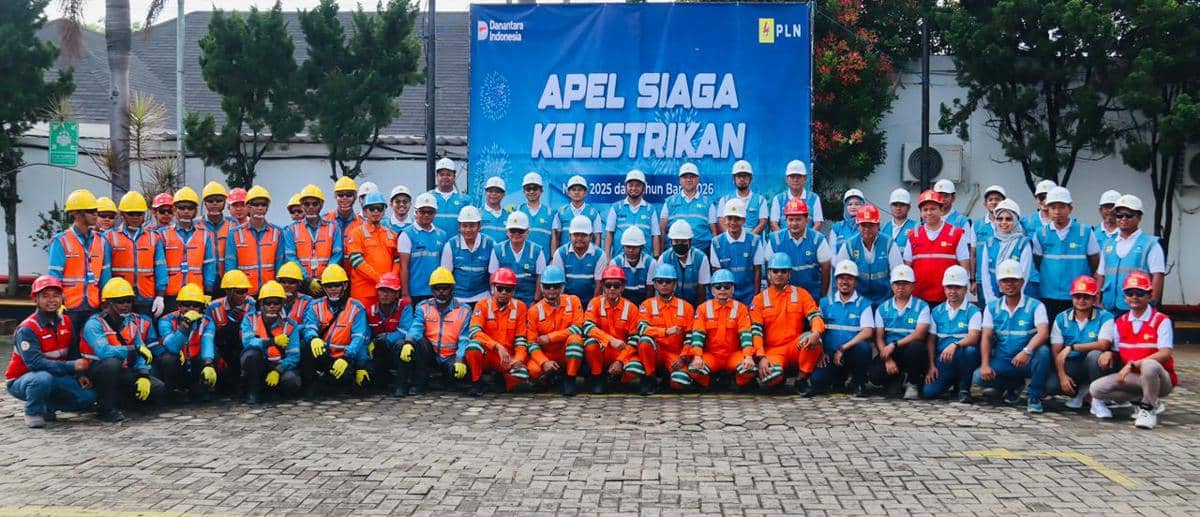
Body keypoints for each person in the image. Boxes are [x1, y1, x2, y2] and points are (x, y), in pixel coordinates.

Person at [1089, 271, 1177, 429]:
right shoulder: (1120, 322)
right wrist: (1108, 352)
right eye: (1130, 293)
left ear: (1150, 295)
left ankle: (1147, 410)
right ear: (1124, 297)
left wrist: (1132, 364)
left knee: (1149, 365)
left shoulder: (1161, 320)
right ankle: (1145, 399)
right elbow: (1116, 351)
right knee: (1096, 389)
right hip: (1135, 379)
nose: (1134, 297)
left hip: (1160, 378)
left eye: (1140, 293)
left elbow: (1165, 353)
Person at [5, 276, 96, 428]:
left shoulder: (66, 321)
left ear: (62, 298)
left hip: (54, 375)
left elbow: (73, 350)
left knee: (88, 397)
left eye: (55, 295)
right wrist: (72, 366)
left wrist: (80, 375)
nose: (51, 300)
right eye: (45, 296)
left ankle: (48, 406)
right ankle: (33, 411)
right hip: (23, 379)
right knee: (42, 379)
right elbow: (35, 363)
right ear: (35, 299)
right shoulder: (27, 329)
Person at [80, 278, 166, 422]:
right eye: (121, 301)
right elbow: (104, 352)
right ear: (107, 304)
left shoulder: (131, 322)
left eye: (129, 301)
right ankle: (105, 409)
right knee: (111, 363)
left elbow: (142, 352)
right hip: (96, 371)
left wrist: (143, 374)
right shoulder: (94, 324)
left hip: (120, 370)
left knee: (158, 387)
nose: (126, 305)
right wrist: (132, 349)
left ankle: (122, 401)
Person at [974, 259, 1052, 413]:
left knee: (1043, 352)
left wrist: (1026, 351)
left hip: (1027, 360)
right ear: (999, 284)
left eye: (1014, 280)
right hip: (1003, 359)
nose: (1009, 284)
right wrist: (985, 364)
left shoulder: (1036, 306)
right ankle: (1013, 386)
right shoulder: (992, 307)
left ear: (1022, 282)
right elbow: (986, 337)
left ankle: (1034, 396)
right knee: (978, 377)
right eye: (1005, 281)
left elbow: (1043, 333)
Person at [750, 254, 826, 395]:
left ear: (789, 274)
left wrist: (816, 332)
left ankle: (801, 380)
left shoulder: (802, 294)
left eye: (784, 271)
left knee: (814, 339)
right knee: (771, 378)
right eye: (775, 271)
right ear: (769, 274)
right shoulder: (759, 300)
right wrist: (760, 358)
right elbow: (756, 332)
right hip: (773, 350)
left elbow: (815, 317)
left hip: (795, 346)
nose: (779, 274)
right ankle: (780, 377)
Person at [48, 189, 112, 348]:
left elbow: (106, 276)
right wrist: (57, 303)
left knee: (92, 349)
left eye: (96, 211)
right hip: (69, 307)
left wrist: (106, 302)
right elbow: (54, 277)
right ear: (77, 214)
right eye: (91, 211)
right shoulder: (61, 241)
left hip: (94, 306)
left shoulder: (102, 241)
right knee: (70, 349)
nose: (95, 215)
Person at [577, 265, 655, 395]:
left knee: (634, 369)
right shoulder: (594, 303)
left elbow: (635, 339)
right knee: (590, 344)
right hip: (602, 351)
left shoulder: (631, 308)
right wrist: (610, 340)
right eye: (608, 285)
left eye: (616, 285)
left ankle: (618, 380)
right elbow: (588, 327)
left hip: (623, 352)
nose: (612, 289)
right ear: (602, 285)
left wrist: (620, 360)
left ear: (623, 287)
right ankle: (597, 378)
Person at [1047, 276, 1115, 412]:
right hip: (1071, 364)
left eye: (1086, 297)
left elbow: (1103, 345)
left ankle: (1097, 398)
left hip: (1093, 364)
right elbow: (1056, 351)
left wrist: (1072, 347)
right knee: (1051, 386)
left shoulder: (1105, 317)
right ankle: (1081, 390)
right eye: (1077, 296)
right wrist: (1062, 376)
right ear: (1072, 297)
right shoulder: (1061, 318)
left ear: (1094, 298)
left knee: (1095, 356)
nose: (1081, 301)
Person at [301, 264, 371, 393]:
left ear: (344, 286)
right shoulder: (315, 306)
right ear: (323, 288)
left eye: (336, 285)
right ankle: (311, 384)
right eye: (329, 286)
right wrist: (313, 338)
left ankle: (326, 381)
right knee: (305, 346)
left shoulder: (356, 308)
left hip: (344, 357)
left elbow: (359, 338)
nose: (333, 289)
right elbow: (309, 326)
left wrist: (348, 359)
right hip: (323, 354)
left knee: (343, 380)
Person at [402, 267, 472, 396]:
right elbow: (416, 327)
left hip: (451, 356)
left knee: (455, 375)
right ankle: (419, 384)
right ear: (431, 289)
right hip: (431, 355)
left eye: (445, 288)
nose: (441, 292)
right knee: (418, 342)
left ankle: (448, 380)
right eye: (437, 288)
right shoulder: (423, 307)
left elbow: (464, 338)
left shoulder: (464, 310)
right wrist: (408, 342)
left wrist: (460, 359)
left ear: (452, 288)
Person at [1031, 187, 1100, 317]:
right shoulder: (1041, 233)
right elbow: (1038, 261)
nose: (1057, 212)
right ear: (1047, 209)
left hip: (1078, 294)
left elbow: (1094, 261)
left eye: (1062, 207)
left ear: (1070, 209)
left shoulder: (1085, 232)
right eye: (1053, 207)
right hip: (1048, 294)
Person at [462, 268, 532, 396]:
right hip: (487, 353)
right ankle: (476, 382)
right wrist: (496, 346)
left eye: (508, 289)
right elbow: (474, 332)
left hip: (506, 358)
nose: (503, 292)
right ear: (493, 288)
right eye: (500, 288)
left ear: (513, 291)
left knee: (522, 374)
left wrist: (519, 359)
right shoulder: (482, 305)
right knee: (473, 347)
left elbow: (521, 339)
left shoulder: (521, 307)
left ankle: (500, 380)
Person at [811, 261, 875, 397]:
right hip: (829, 354)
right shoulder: (825, 303)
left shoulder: (864, 304)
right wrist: (820, 351)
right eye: (841, 278)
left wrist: (843, 348)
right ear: (836, 281)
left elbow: (867, 331)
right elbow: (817, 329)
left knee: (864, 348)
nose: (845, 282)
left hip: (851, 353)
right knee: (817, 380)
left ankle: (858, 382)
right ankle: (838, 379)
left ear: (855, 281)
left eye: (849, 278)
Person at [685, 269, 756, 390]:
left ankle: (738, 382)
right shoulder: (703, 309)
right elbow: (697, 335)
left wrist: (748, 356)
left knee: (749, 370)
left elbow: (746, 335)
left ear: (732, 289)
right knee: (693, 370)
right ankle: (710, 383)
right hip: (712, 356)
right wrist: (697, 357)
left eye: (727, 286)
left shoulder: (741, 308)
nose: (722, 290)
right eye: (718, 287)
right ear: (712, 290)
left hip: (733, 355)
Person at [869, 265, 931, 399]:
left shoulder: (922, 306)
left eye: (905, 284)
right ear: (892, 285)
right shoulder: (882, 308)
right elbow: (879, 338)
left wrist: (894, 344)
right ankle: (896, 379)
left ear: (913, 286)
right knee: (875, 375)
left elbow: (920, 334)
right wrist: (887, 360)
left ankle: (913, 383)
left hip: (910, 350)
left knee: (917, 347)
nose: (901, 287)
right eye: (897, 283)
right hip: (891, 352)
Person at [921, 266, 982, 402]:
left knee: (971, 351)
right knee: (929, 392)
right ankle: (952, 380)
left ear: (966, 289)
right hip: (943, 360)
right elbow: (931, 340)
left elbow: (974, 337)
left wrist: (955, 345)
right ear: (944, 288)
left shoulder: (973, 311)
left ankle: (963, 388)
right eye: (949, 287)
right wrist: (931, 366)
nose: (953, 291)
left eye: (957, 287)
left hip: (962, 355)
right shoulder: (937, 311)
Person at [1096, 194, 1166, 313]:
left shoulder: (1150, 244)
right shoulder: (1108, 244)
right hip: (1109, 307)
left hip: (1137, 308)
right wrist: (1097, 301)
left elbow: (1157, 276)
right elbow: (1101, 275)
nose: (1123, 219)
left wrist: (1152, 304)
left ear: (1139, 217)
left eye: (1128, 215)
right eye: (1119, 215)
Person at [524, 265, 587, 395]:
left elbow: (578, 328)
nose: (552, 290)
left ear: (562, 287)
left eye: (556, 286)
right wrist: (544, 362)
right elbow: (531, 343)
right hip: (547, 354)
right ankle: (550, 378)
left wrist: (550, 337)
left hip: (567, 352)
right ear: (541, 287)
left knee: (576, 339)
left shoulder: (574, 301)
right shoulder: (534, 311)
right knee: (533, 370)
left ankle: (570, 378)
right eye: (547, 286)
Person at [240, 281, 303, 404]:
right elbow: (248, 342)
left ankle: (275, 392)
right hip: (258, 365)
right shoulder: (250, 319)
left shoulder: (290, 325)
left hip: (278, 366)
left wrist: (278, 370)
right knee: (251, 354)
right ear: (261, 303)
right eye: (268, 302)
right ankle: (254, 392)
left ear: (282, 304)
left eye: (276, 302)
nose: (272, 306)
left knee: (291, 380)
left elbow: (294, 356)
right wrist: (272, 341)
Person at [903, 190, 969, 305]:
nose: (929, 213)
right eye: (925, 209)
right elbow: (907, 268)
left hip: (948, 299)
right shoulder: (913, 235)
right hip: (919, 299)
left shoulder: (957, 234)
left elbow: (965, 267)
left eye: (933, 209)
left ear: (941, 210)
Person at [109, 190, 166, 316]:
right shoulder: (110, 237)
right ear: (123, 215)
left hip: (146, 296)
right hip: (120, 297)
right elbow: (105, 271)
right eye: (131, 214)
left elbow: (160, 267)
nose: (135, 217)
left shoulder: (154, 238)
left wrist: (160, 295)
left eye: (139, 214)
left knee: (145, 330)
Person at [639, 266, 696, 392]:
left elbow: (690, 336)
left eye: (668, 281)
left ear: (675, 284)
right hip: (655, 352)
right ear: (654, 284)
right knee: (644, 342)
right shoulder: (646, 305)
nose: (664, 285)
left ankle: (667, 379)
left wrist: (683, 358)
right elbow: (642, 329)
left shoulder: (687, 307)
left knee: (680, 382)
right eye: (660, 281)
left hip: (675, 354)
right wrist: (664, 332)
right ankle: (649, 378)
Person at [155, 283, 215, 402]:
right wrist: (185, 325)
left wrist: (208, 364)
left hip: (194, 362)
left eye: (196, 305)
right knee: (168, 358)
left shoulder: (207, 321)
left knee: (213, 357)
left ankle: (200, 388)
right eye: (187, 304)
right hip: (177, 364)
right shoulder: (166, 320)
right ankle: (171, 391)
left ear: (201, 307)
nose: (191, 309)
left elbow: (208, 343)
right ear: (179, 305)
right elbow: (172, 346)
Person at [159, 188, 217, 306]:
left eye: (190, 208)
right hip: (170, 294)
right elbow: (159, 267)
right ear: (175, 210)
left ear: (195, 211)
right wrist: (159, 295)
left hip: (196, 294)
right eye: (181, 207)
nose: (186, 211)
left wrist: (208, 292)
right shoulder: (162, 234)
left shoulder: (205, 235)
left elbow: (209, 266)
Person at [834, 204, 902, 305]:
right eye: (863, 225)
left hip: (886, 300)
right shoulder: (849, 245)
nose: (867, 229)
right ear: (857, 226)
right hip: (858, 302)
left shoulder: (889, 244)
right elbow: (841, 276)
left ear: (878, 225)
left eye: (871, 225)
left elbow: (898, 275)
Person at [224, 185, 283, 296]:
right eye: (256, 204)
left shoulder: (278, 232)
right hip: (244, 293)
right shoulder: (235, 234)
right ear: (248, 206)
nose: (260, 208)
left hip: (270, 293)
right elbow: (230, 266)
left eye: (263, 204)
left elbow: (280, 265)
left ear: (267, 207)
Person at [204, 270, 257, 395]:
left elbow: (252, 331)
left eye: (245, 291)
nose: (244, 295)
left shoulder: (251, 304)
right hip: (221, 345)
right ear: (228, 292)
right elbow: (208, 336)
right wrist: (230, 322)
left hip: (242, 344)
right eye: (239, 292)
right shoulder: (213, 307)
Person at [763, 199, 827, 301]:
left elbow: (826, 269)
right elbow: (768, 268)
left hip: (812, 298)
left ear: (807, 220)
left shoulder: (818, 239)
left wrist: (823, 298)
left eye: (798, 219)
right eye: (791, 219)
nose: (794, 223)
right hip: (783, 299)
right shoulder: (775, 239)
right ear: (786, 220)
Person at [345, 191, 399, 307]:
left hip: (387, 293)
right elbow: (356, 261)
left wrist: (390, 281)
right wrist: (380, 279)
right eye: (372, 209)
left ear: (384, 211)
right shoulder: (356, 233)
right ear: (364, 211)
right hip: (363, 293)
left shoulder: (392, 234)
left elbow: (397, 260)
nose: (376, 212)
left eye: (379, 209)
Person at [284, 184, 344, 289]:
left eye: (315, 204)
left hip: (327, 283)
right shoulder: (291, 230)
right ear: (302, 206)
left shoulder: (334, 228)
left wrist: (325, 277)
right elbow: (291, 258)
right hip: (302, 284)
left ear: (321, 205)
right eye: (306, 204)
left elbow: (337, 255)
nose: (311, 207)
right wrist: (308, 280)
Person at [398, 193, 450, 308]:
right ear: (416, 212)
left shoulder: (442, 235)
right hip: (415, 292)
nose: (426, 215)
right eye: (422, 212)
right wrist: (405, 293)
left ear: (435, 213)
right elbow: (403, 267)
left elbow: (445, 266)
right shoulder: (407, 234)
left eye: (430, 212)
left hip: (436, 290)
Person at [366, 273, 414, 396]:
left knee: (401, 344)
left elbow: (405, 331)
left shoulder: (405, 307)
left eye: (389, 291)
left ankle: (401, 385)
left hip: (396, 349)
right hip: (380, 351)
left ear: (397, 294)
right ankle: (381, 382)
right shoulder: (371, 310)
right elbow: (366, 334)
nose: (384, 294)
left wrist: (386, 338)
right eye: (382, 290)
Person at [711, 199, 765, 306]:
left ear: (744, 220)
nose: (733, 222)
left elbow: (757, 271)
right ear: (725, 219)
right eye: (730, 218)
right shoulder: (716, 242)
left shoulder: (754, 241)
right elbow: (717, 274)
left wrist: (755, 299)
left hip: (749, 296)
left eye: (737, 219)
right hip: (726, 298)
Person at [977, 199, 1033, 304]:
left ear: (1016, 220)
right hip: (993, 297)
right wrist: (990, 300)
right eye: (999, 219)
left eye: (1008, 219)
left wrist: (1014, 301)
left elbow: (1024, 274)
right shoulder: (990, 243)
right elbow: (985, 274)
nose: (1003, 223)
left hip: (1016, 299)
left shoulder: (1023, 243)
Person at [488, 211, 546, 305]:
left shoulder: (537, 251)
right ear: (507, 232)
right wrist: (496, 300)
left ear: (527, 232)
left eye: (520, 231)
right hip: (504, 301)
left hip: (528, 300)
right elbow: (492, 276)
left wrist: (535, 301)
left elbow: (540, 278)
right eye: (512, 230)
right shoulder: (497, 250)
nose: (516, 234)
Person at [440, 206, 494, 305]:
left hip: (483, 297)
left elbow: (493, 274)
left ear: (479, 226)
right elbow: (446, 275)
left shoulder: (490, 244)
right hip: (458, 298)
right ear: (459, 227)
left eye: (472, 225)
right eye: (464, 226)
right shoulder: (451, 245)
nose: (468, 230)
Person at [650, 220, 711, 306]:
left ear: (690, 241)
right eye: (676, 241)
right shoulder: (664, 258)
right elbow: (659, 289)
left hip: (694, 303)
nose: (680, 244)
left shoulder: (701, 258)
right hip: (671, 305)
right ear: (671, 242)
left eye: (683, 241)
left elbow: (702, 291)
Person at [660, 163, 717, 255]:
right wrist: (660, 253)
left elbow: (714, 232)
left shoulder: (708, 203)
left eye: (692, 177)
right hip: (675, 251)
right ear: (680, 180)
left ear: (698, 179)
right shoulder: (669, 202)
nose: (689, 180)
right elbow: (662, 230)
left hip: (702, 251)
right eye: (685, 177)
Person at [550, 215, 606, 306]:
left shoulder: (600, 255)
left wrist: (591, 308)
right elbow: (559, 285)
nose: (579, 238)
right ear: (569, 236)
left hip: (591, 302)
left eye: (584, 235)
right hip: (566, 304)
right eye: (576, 234)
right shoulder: (560, 253)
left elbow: (599, 285)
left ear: (591, 236)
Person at [606, 169, 662, 258]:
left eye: (637, 186)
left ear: (643, 188)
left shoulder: (650, 209)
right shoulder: (616, 208)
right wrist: (607, 258)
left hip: (645, 262)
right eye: (630, 185)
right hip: (619, 260)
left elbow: (655, 236)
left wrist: (656, 257)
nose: (633, 188)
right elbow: (609, 234)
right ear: (626, 187)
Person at [716, 160, 769, 236]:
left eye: (745, 176)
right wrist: (731, 237)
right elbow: (721, 221)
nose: (742, 179)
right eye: (738, 176)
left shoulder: (761, 200)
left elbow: (763, 223)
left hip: (753, 244)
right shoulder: (725, 200)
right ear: (734, 179)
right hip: (731, 243)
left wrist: (748, 240)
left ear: (750, 179)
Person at [769, 160, 824, 232]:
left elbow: (818, 223)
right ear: (786, 179)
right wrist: (783, 241)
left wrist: (808, 240)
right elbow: (774, 223)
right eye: (792, 177)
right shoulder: (778, 199)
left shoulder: (814, 198)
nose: (795, 180)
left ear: (805, 179)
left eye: (799, 177)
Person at [552, 175, 603, 251]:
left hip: (587, 257)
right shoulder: (561, 212)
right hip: (565, 257)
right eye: (573, 189)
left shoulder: (593, 213)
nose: (576, 192)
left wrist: (596, 257)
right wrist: (554, 257)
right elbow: (555, 237)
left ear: (585, 192)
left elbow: (597, 237)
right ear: (568, 192)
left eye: (580, 190)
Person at [427, 158, 471, 238]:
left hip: (456, 247)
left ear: (454, 177)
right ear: (437, 177)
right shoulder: (428, 197)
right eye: (442, 174)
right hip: (433, 246)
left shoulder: (465, 200)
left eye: (448, 174)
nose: (445, 177)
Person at [609, 227, 654, 305]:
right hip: (622, 301)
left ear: (641, 247)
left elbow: (650, 291)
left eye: (634, 247)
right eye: (628, 246)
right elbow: (614, 290)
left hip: (643, 301)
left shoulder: (650, 263)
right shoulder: (615, 263)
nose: (630, 250)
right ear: (623, 246)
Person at [201, 181, 237, 279]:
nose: (215, 203)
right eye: (210, 200)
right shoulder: (197, 225)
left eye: (219, 200)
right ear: (204, 203)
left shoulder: (233, 224)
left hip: (227, 278)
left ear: (225, 202)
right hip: (204, 278)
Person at [516, 172, 555, 258]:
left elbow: (554, 238)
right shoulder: (517, 211)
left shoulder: (551, 213)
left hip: (544, 262)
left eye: (535, 188)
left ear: (541, 190)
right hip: (522, 260)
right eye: (528, 189)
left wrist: (553, 258)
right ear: (523, 191)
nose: (531, 191)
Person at [479, 177, 509, 244]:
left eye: (497, 191)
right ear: (485, 193)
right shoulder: (477, 214)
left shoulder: (509, 216)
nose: (493, 194)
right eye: (490, 191)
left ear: (503, 194)